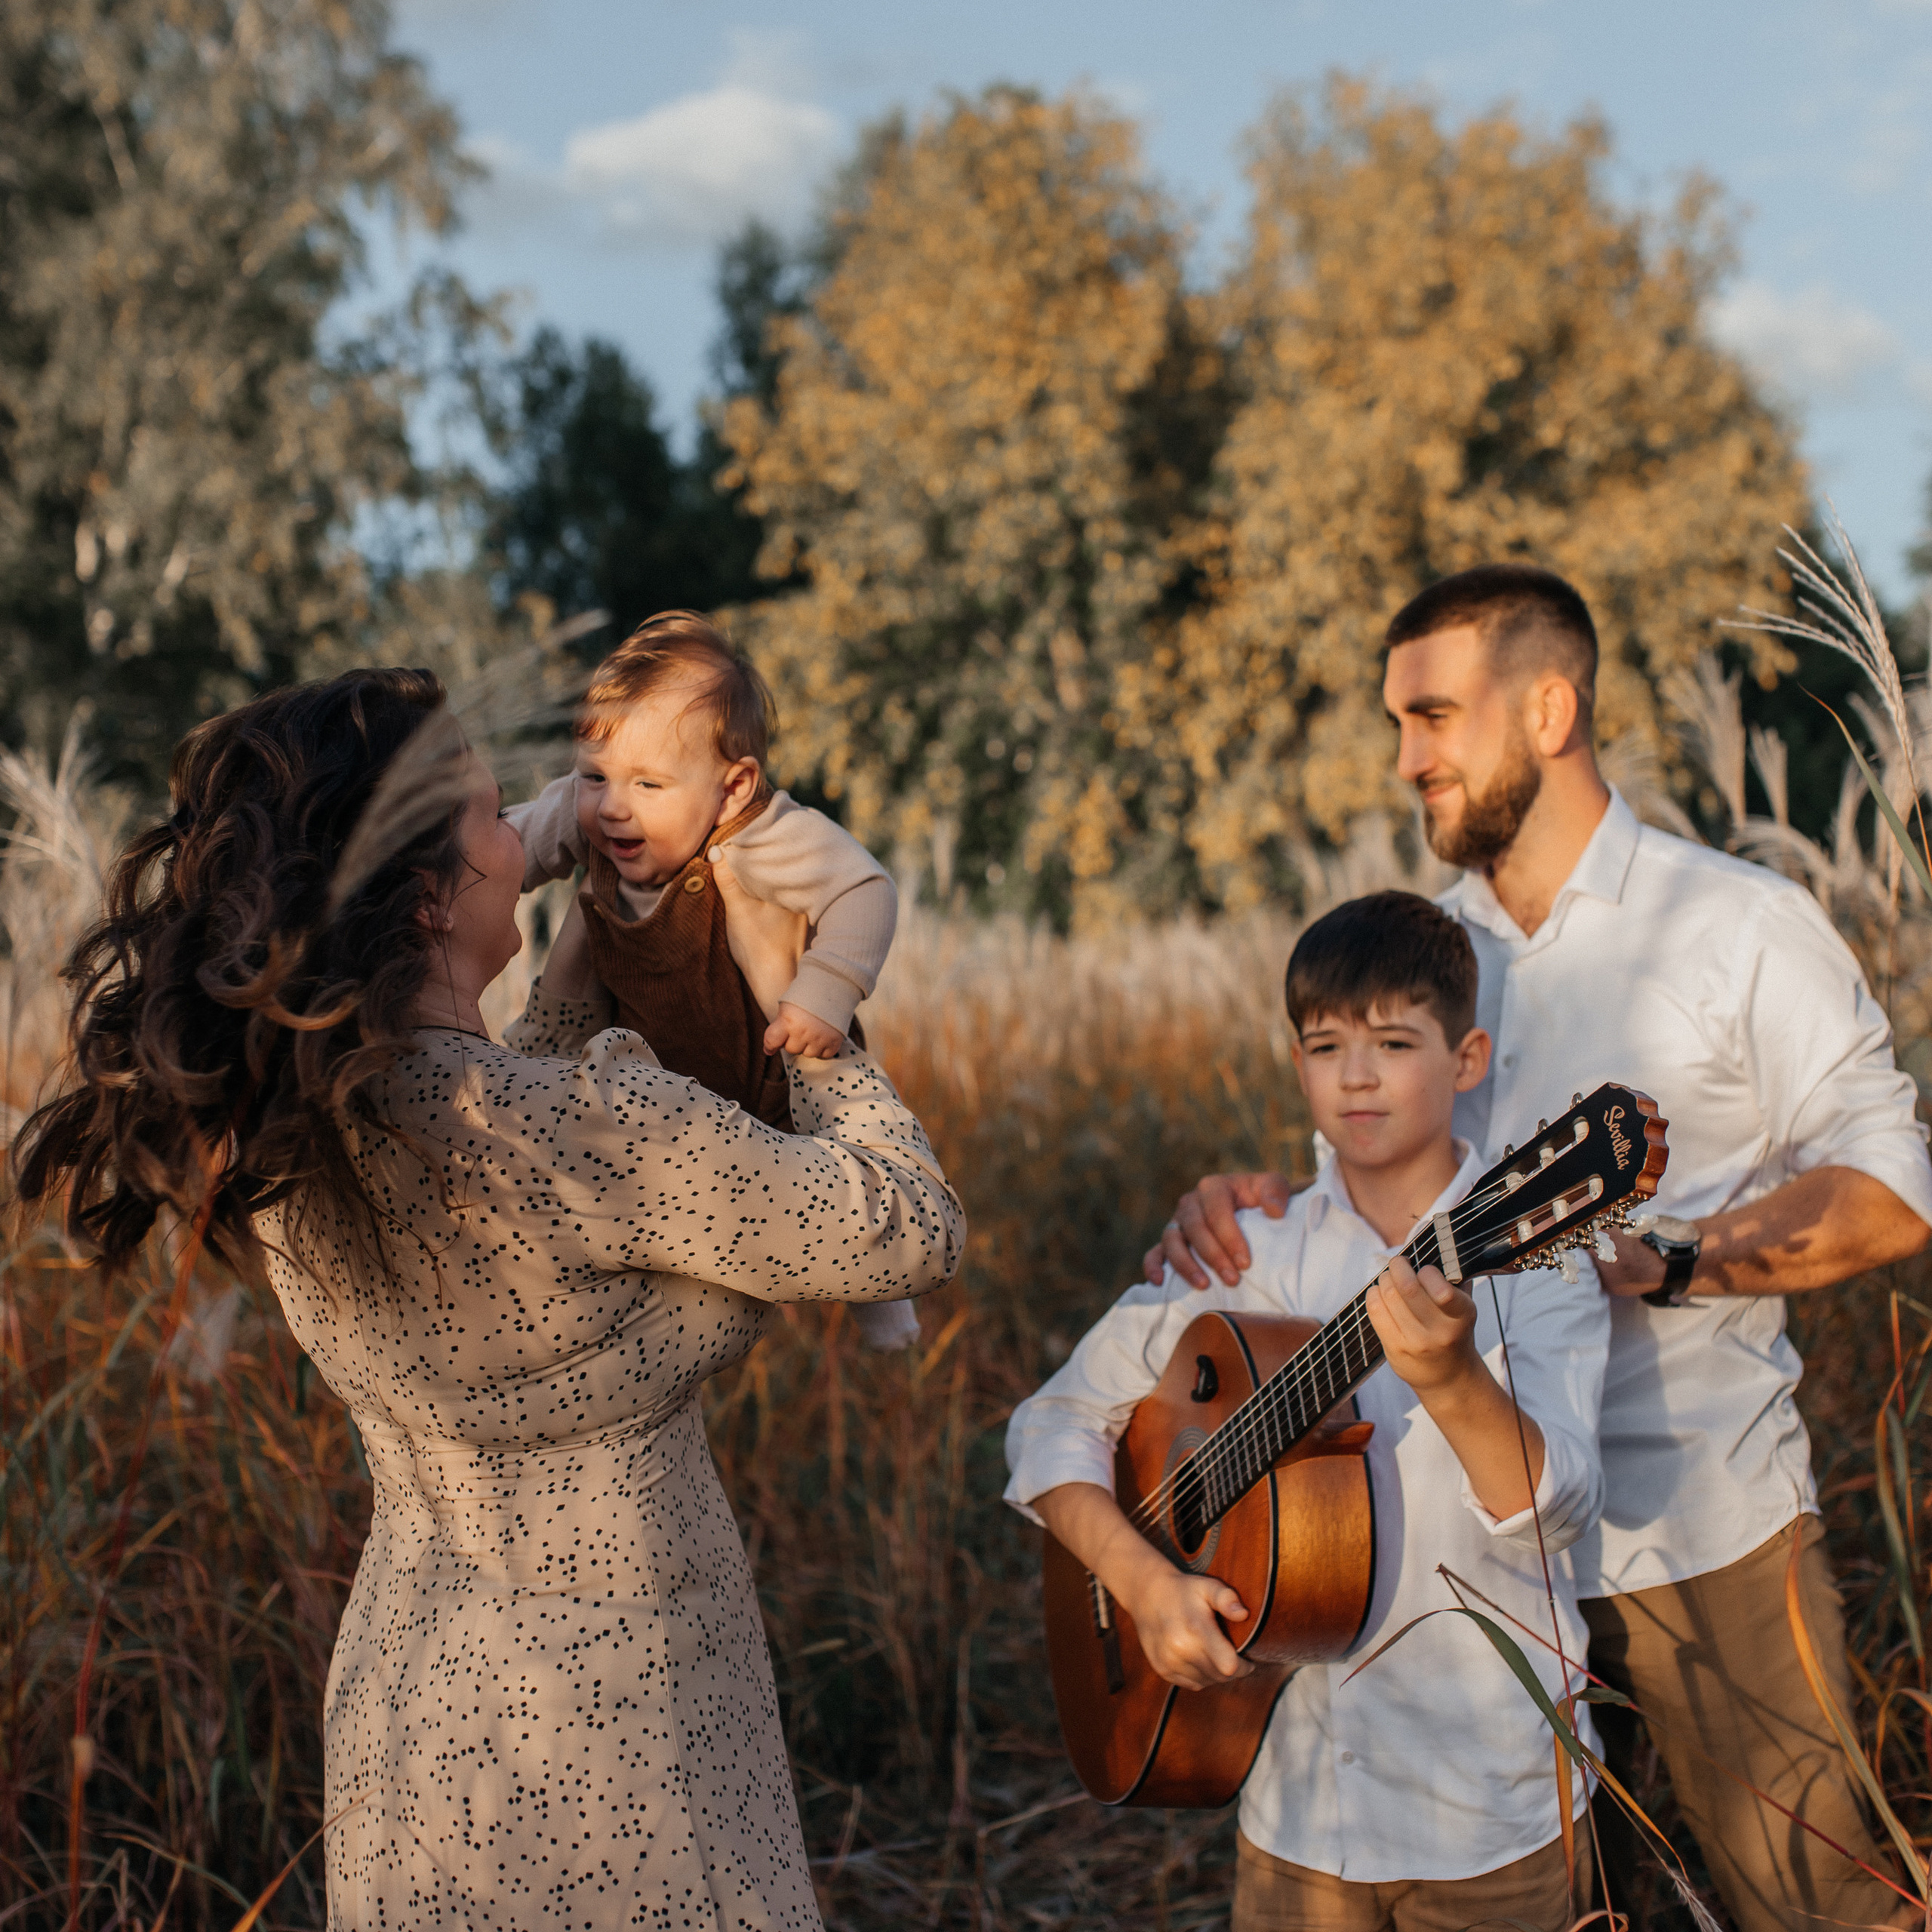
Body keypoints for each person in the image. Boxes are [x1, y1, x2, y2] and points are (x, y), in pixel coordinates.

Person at [12, 667, 967, 1929]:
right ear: (425, 897)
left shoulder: (298, 1139)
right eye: (491, 814)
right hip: (631, 1735)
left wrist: (584, 942)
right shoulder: (598, 1126)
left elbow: (511, 1142)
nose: (532, 826)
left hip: (415, 1731)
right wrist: (818, 1022)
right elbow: (910, 1228)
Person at [1146, 565, 1932, 1932]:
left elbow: (1893, 1187)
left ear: (1551, 708)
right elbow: (1373, 1192)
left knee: (1815, 1903)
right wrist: (1251, 1203)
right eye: (1401, 724)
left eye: (1435, 717)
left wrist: (1685, 1260)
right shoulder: (1430, 967)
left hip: (1694, 1525)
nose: (1407, 760)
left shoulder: (1738, 926)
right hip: (1453, 1562)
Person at [1011, 891, 1609, 1932]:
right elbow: (1050, 1425)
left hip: (1495, 1814)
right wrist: (1145, 1582)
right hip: (1295, 1814)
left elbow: (1559, 1508)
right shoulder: (1248, 1248)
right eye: (1326, 1045)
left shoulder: (1536, 1266)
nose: (1359, 1075)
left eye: (1394, 1041)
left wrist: (1455, 1378)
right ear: (1297, 1065)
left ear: (1467, 1060)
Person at [510, 608, 918, 1349]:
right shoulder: (589, 814)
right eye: (595, 775)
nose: (612, 806)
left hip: (769, 1051)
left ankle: (882, 1298)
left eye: (649, 783)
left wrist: (822, 990)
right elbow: (515, 845)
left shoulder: (765, 834)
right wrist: (461, 870)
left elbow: (864, 890)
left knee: (832, 1157)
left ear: (732, 789)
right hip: (656, 1076)